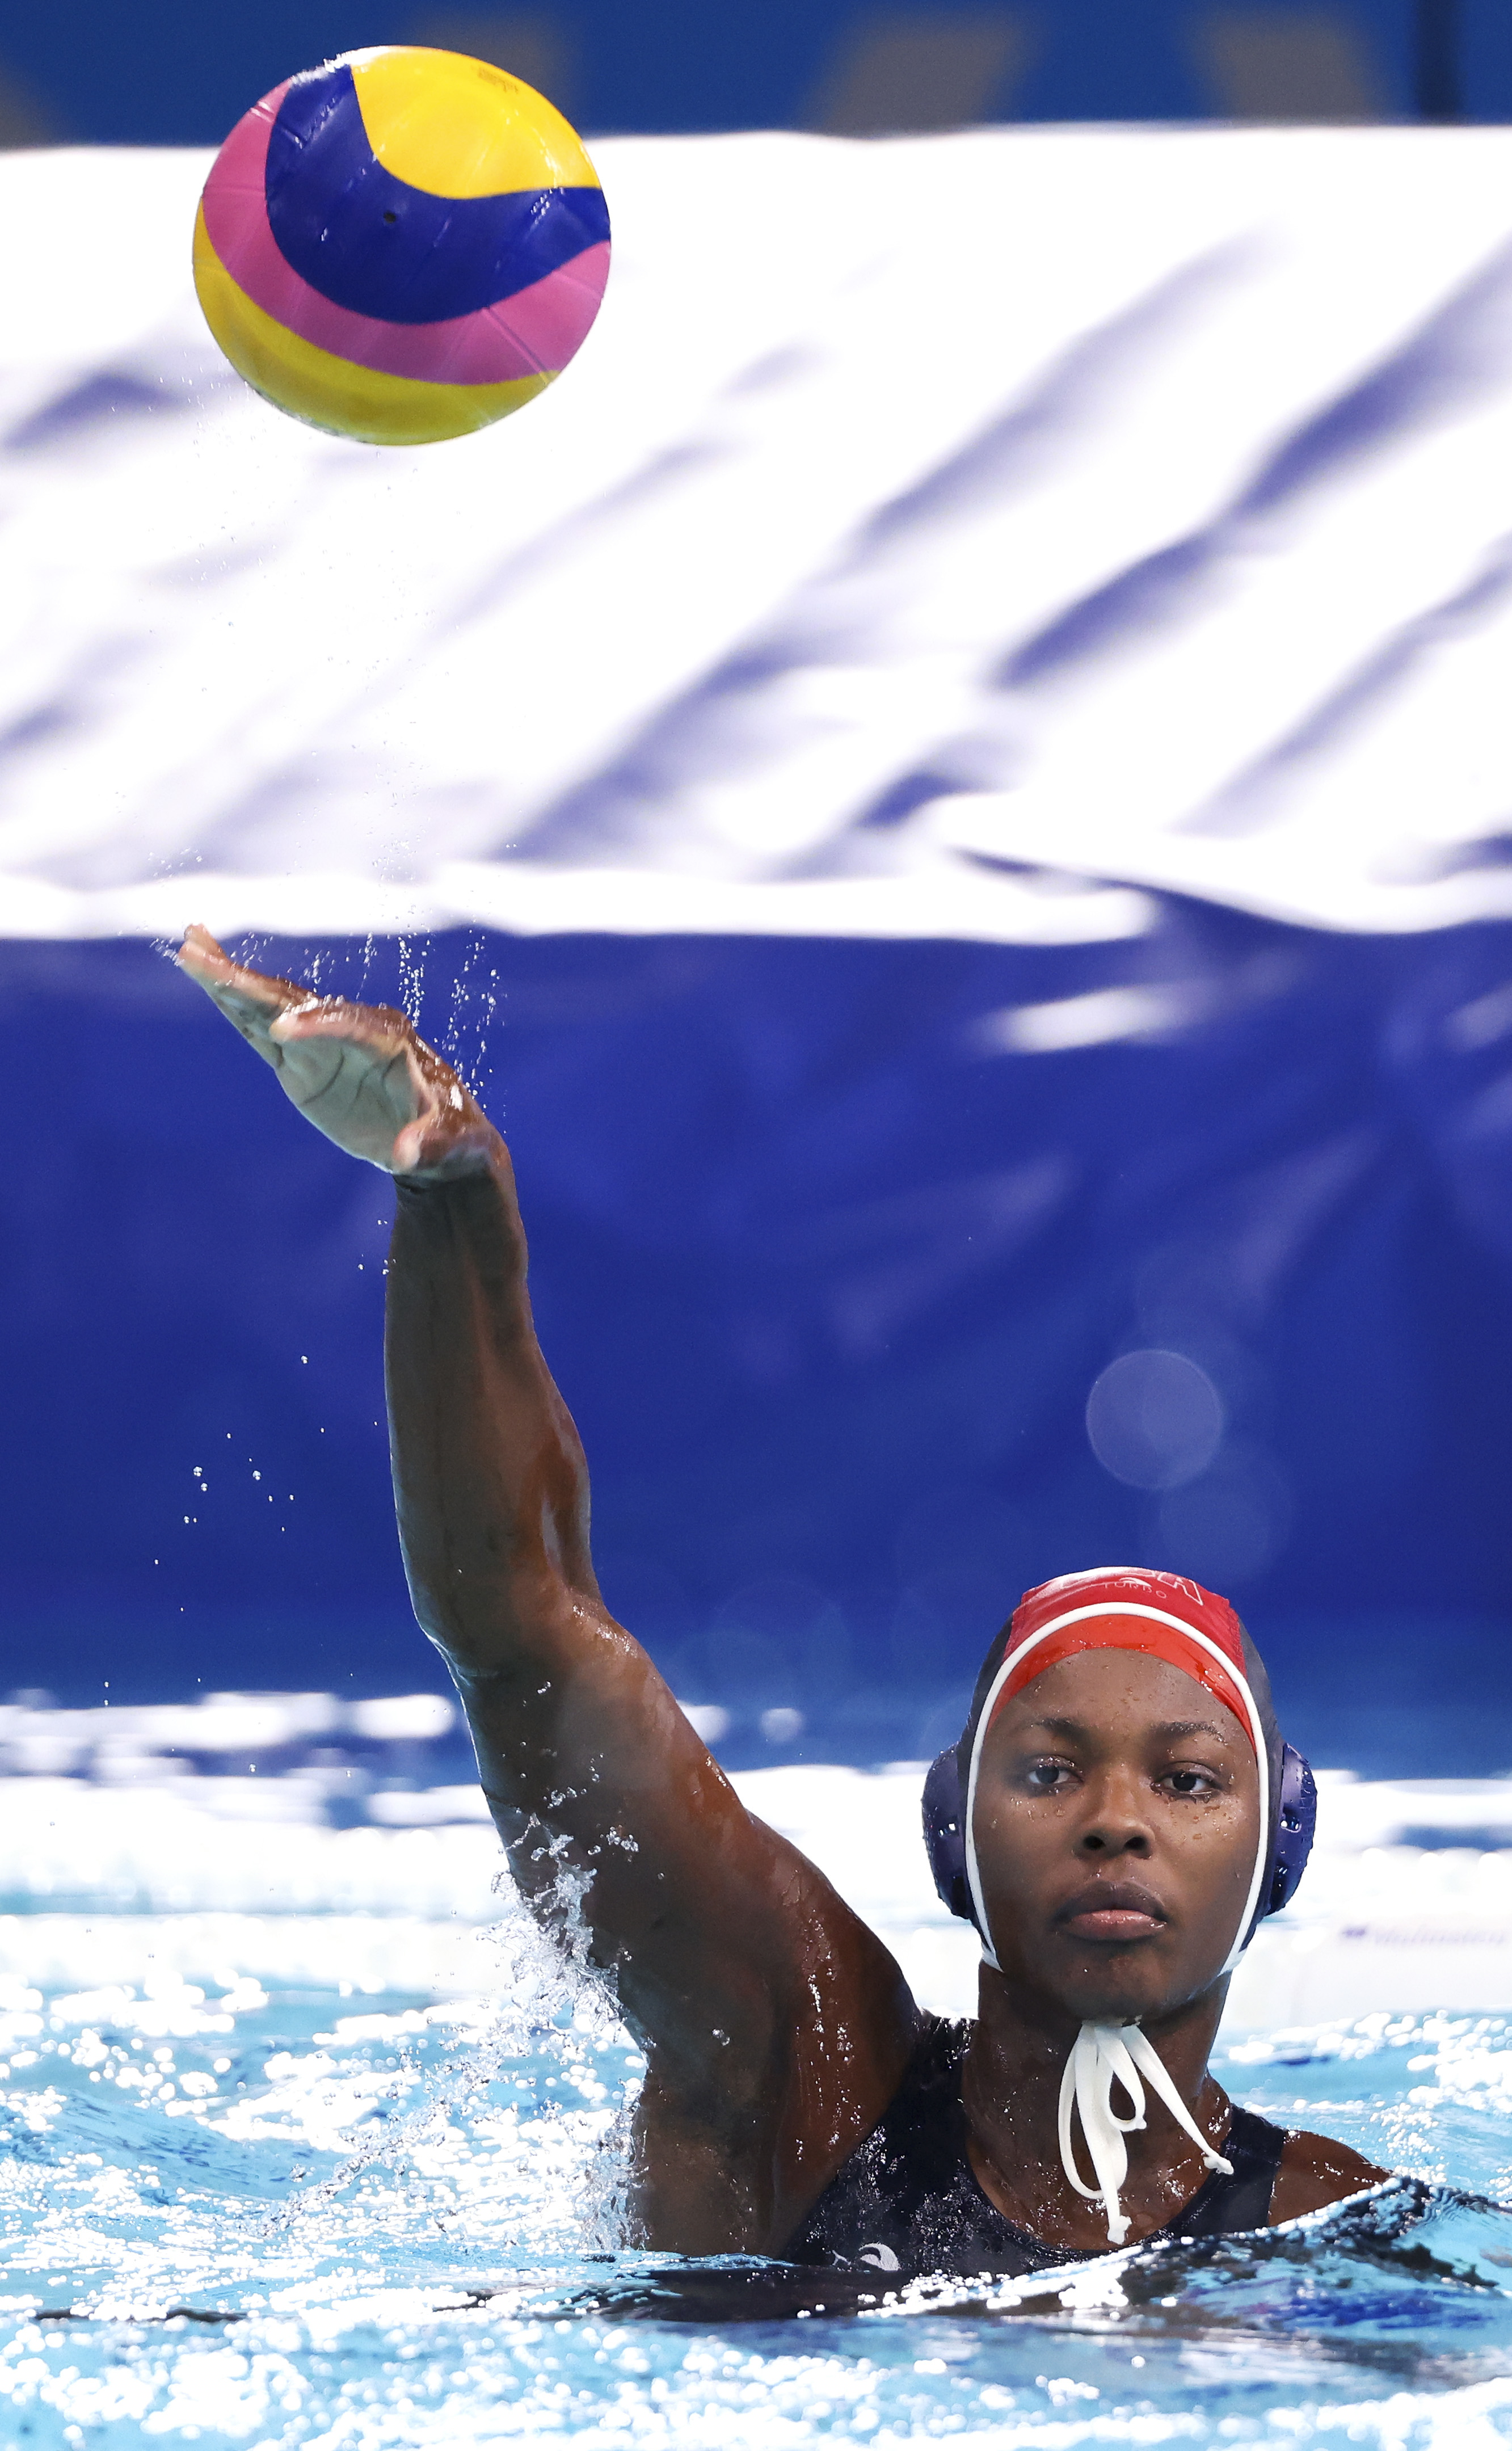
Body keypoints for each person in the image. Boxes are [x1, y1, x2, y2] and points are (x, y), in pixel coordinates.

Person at [175, 924, 1385, 2276]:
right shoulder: (799, 2075)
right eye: (1049, 1774)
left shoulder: (1335, 2232)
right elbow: (526, 1633)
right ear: (954, 1836)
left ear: (1281, 1840)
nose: (1115, 1824)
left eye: (1188, 1782)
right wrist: (458, 1203)